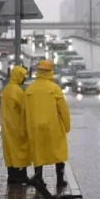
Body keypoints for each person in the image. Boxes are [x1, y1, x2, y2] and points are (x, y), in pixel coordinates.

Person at [23, 59, 71, 190]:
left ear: (38, 71)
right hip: (53, 127)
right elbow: (63, 110)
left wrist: (25, 128)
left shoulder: (29, 89)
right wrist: (67, 126)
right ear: (50, 71)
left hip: (35, 128)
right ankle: (60, 180)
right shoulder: (54, 88)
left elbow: (24, 111)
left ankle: (39, 179)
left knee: (38, 154)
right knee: (58, 153)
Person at [0, 65, 30, 184]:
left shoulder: (6, 90)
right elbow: (24, 109)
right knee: (20, 151)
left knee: (9, 151)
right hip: (17, 126)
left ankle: (11, 176)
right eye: (23, 76)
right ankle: (21, 176)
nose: (24, 79)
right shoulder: (17, 91)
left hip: (6, 126)